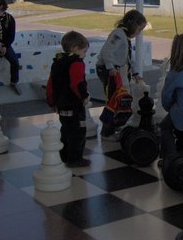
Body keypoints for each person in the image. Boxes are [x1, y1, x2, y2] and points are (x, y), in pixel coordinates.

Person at [96, 9, 147, 139]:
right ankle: (107, 132)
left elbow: (129, 57)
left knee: (123, 99)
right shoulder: (118, 35)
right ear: (133, 24)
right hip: (112, 71)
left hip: (119, 70)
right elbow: (106, 51)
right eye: (139, 29)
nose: (139, 32)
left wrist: (135, 73)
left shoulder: (125, 37)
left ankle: (116, 125)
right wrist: (111, 68)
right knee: (115, 100)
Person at [46, 31, 91, 167]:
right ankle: (75, 158)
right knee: (78, 131)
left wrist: (51, 101)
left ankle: (64, 155)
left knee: (65, 130)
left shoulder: (58, 62)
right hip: (74, 104)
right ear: (75, 49)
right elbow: (76, 83)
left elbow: (50, 83)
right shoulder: (77, 63)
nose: (85, 54)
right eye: (84, 51)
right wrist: (84, 96)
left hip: (61, 104)